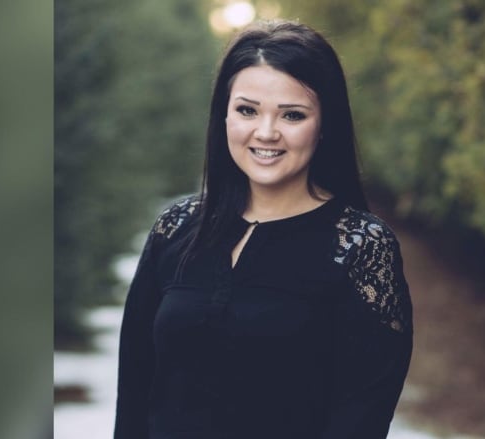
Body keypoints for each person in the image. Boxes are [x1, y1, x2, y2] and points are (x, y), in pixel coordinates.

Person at [114, 19, 413, 439]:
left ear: (324, 125)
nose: (266, 132)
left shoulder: (362, 248)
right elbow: (134, 391)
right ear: (224, 115)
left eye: (292, 114)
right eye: (247, 110)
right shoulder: (176, 227)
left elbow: (361, 416)